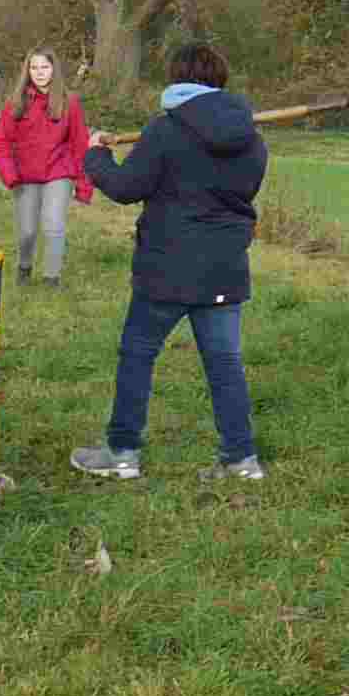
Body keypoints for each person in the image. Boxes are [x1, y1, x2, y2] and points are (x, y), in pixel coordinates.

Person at [67, 43, 267, 483]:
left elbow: (124, 186)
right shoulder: (251, 137)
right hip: (224, 268)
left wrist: (96, 154)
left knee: (137, 354)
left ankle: (122, 453)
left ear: (178, 81)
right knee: (225, 363)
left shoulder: (164, 130)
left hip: (167, 269)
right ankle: (241, 459)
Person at [0, 50, 94, 286]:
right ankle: (24, 267)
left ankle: (51, 278)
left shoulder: (70, 102)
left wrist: (84, 184)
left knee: (53, 224)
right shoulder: (15, 103)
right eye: (34, 68)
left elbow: (80, 144)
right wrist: (9, 174)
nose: (39, 73)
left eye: (44, 67)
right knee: (27, 232)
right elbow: (0, 142)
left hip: (59, 171)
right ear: (27, 71)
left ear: (53, 70)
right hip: (24, 175)